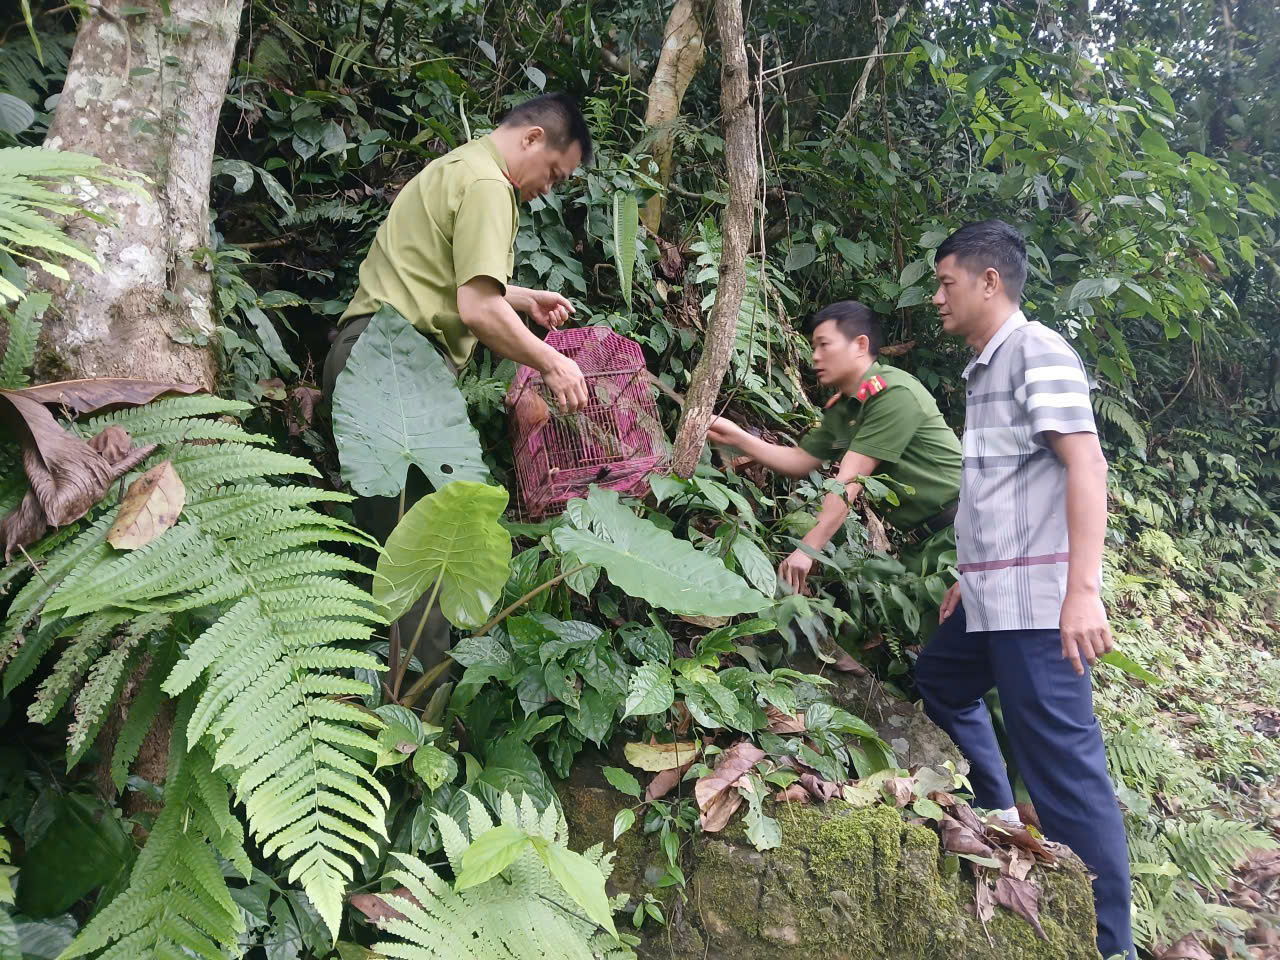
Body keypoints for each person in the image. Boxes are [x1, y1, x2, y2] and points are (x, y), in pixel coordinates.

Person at [914, 220, 1134, 960]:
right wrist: (965, 576)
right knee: (940, 678)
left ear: (989, 282)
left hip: (1040, 607)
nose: (936, 298)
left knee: (1068, 778)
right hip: (990, 598)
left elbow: (1087, 467)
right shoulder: (986, 367)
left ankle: (1111, 948)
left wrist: (1084, 592)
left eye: (946, 284)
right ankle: (1000, 808)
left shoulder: (1037, 352)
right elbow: (1002, 490)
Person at [321, 92, 594, 681]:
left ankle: (368, 703)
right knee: (426, 558)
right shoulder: (491, 186)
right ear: (531, 139)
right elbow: (476, 309)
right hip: (397, 370)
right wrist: (552, 362)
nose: (550, 188)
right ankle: (417, 725)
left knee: (390, 546)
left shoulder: (457, 166)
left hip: (369, 358)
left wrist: (522, 298)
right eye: (554, 173)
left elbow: (447, 279)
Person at [706, 300, 963, 595]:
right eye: (813, 346)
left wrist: (808, 549)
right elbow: (801, 461)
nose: (815, 357)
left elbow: (849, 481)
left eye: (824, 345)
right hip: (923, 544)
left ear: (860, 345)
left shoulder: (892, 393)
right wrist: (738, 437)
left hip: (957, 537)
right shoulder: (845, 407)